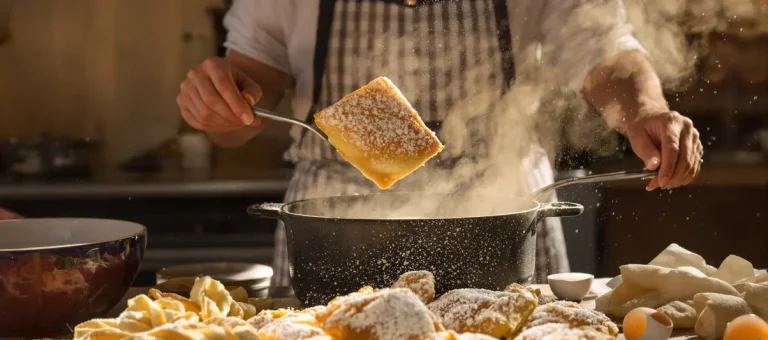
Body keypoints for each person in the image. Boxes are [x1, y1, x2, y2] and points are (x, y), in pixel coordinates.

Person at [176, 0, 703, 290]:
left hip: (500, 214)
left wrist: (647, 112)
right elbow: (243, 98)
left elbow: (603, 46)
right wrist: (219, 104)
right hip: (336, 225)